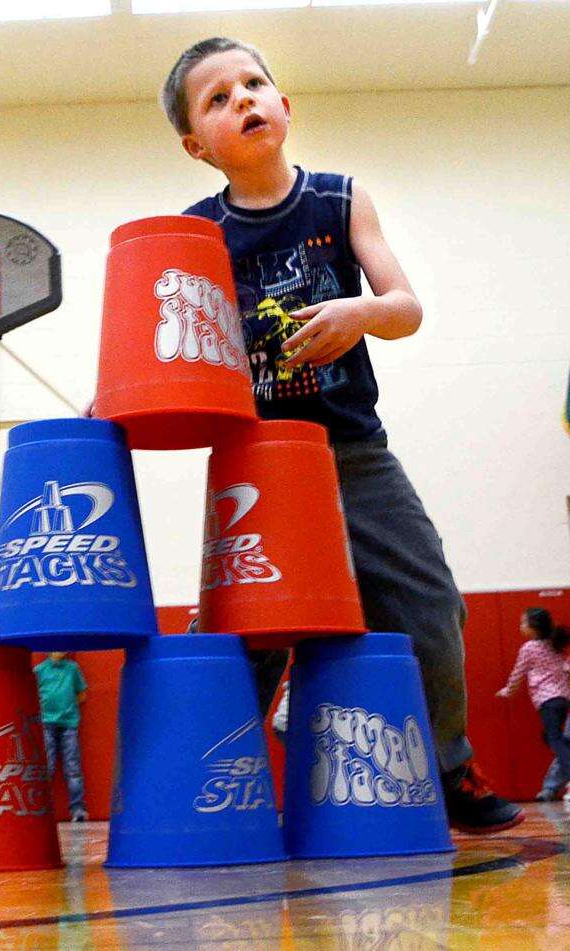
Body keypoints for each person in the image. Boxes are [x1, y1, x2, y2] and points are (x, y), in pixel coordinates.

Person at [160, 36, 523, 832]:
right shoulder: (193, 235)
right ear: (196, 145)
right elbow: (166, 350)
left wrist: (359, 312)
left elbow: (405, 308)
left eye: (255, 84)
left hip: (355, 453)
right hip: (255, 460)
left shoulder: (340, 200)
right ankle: (215, 782)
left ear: (285, 105)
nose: (244, 100)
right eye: (218, 99)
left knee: (430, 600)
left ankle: (449, 763)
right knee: (239, 632)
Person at [496, 608, 570, 800]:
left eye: (523, 623)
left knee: (554, 739)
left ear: (534, 628)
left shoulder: (529, 647)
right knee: (551, 737)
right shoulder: (553, 644)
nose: (520, 627)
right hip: (562, 698)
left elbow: (518, 673)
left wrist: (508, 691)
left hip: (547, 700)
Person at [34, 651, 89, 822]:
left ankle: (77, 809)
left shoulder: (73, 669)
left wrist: (67, 709)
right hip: (46, 723)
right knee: (46, 767)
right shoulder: (39, 670)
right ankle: (41, 807)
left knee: (72, 767)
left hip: (69, 723)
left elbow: (82, 694)